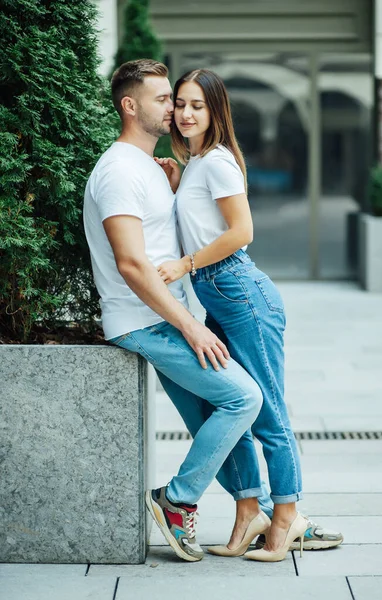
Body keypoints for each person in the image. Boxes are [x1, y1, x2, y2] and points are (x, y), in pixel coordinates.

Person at [82, 59, 271, 563]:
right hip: (148, 322)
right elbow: (131, 264)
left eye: (176, 98)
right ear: (130, 105)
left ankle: (262, 512)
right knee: (244, 399)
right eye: (163, 99)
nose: (175, 108)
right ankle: (177, 500)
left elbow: (162, 231)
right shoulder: (119, 170)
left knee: (217, 414)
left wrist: (173, 180)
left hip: (166, 315)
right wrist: (190, 326)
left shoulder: (147, 164)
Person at [155, 68, 343, 562]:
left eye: (198, 104)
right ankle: (248, 511)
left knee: (269, 413)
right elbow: (202, 223)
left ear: (217, 110)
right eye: (181, 103)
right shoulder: (196, 161)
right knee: (229, 403)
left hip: (239, 291)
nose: (187, 112)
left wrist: (186, 264)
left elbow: (241, 232)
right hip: (221, 294)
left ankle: (286, 518)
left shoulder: (217, 162)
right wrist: (176, 182)